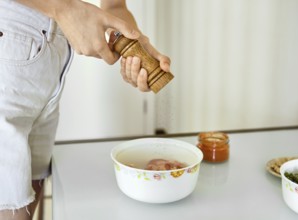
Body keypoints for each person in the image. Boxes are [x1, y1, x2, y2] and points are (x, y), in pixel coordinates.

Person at [0, 0, 171, 219]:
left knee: (26, 206)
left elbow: (114, 6)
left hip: (50, 75)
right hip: (9, 49)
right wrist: (63, 8)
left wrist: (133, 41)